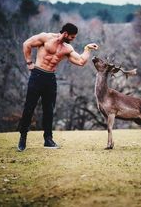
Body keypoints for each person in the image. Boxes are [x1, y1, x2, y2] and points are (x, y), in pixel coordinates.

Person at [17, 23, 98, 151]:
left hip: (50, 78)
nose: (73, 39)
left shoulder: (67, 48)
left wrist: (87, 49)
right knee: (29, 107)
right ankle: (22, 138)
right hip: (37, 74)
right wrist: (29, 62)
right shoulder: (46, 38)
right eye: (72, 37)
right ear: (65, 33)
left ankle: (48, 140)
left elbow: (81, 61)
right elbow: (26, 44)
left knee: (49, 110)